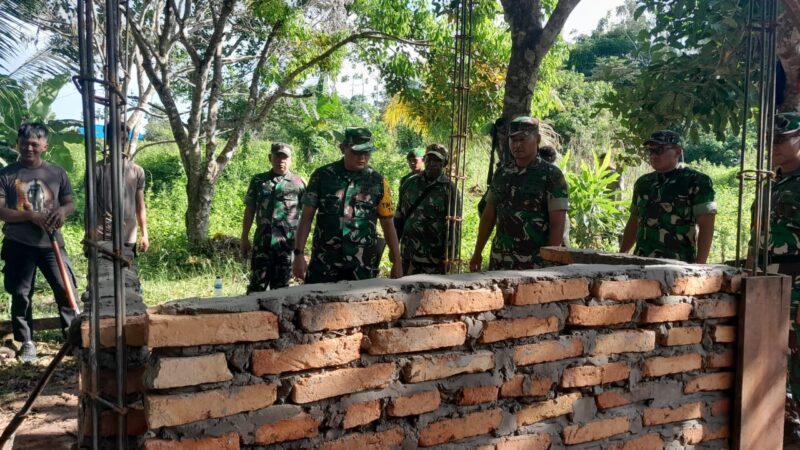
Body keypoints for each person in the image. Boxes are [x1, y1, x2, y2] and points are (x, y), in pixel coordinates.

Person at [0, 124, 78, 363]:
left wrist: (62, 211)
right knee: (21, 293)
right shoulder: (7, 174)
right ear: (17, 145)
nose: (29, 148)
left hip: (51, 243)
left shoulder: (56, 173)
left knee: (65, 288)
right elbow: (1, 211)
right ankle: (26, 342)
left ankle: (73, 338)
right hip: (18, 243)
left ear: (45, 145)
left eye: (35, 144)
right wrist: (29, 216)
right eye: (24, 143)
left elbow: (69, 202)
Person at [292, 127, 402, 283]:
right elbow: (306, 218)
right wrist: (298, 254)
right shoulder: (322, 176)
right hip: (324, 264)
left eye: (367, 153)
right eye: (357, 153)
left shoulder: (378, 181)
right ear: (343, 148)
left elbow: (387, 223)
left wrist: (397, 262)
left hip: (361, 266)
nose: (362, 158)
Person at [751, 112, 800, 438]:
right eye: (770, 141)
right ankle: (786, 420)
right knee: (771, 352)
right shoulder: (769, 183)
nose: (774, 147)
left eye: (782, 139)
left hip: (797, 282)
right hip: (766, 280)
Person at [469, 116, 569, 271]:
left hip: (534, 265)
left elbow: (558, 223)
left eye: (522, 139)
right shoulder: (502, 173)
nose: (517, 145)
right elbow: (488, 216)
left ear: (537, 139)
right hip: (500, 262)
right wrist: (477, 252)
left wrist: (550, 263)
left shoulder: (552, 175)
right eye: (513, 140)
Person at [619, 130, 717, 263]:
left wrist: (700, 266)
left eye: (659, 150)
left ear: (678, 152)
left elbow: (706, 226)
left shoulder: (696, 181)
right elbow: (634, 221)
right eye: (651, 151)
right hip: (640, 263)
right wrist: (621, 256)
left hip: (678, 266)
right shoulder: (644, 183)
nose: (653, 155)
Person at [240, 143, 305, 292]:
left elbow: (305, 216)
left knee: (281, 289)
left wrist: (300, 248)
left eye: (285, 158)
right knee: (256, 287)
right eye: (277, 157)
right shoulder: (259, 181)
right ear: (270, 158)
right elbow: (250, 209)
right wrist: (244, 237)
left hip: (286, 245)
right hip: (262, 243)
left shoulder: (298, 183)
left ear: (291, 160)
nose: (281, 161)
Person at [396, 144, 458, 275]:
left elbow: (454, 225)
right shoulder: (409, 183)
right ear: (424, 160)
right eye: (429, 159)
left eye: (437, 160)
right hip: (409, 255)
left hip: (434, 258)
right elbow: (399, 217)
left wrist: (450, 256)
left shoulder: (449, 189)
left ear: (444, 163)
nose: (432, 164)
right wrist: (394, 249)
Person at [94, 125, 150, 255]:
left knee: (127, 266)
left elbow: (140, 205)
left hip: (128, 236)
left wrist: (144, 234)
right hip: (103, 235)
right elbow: (89, 205)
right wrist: (89, 233)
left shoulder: (137, 170)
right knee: (105, 267)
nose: (121, 142)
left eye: (124, 139)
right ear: (108, 140)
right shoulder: (97, 169)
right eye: (116, 138)